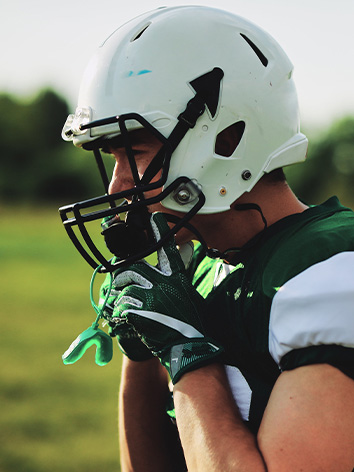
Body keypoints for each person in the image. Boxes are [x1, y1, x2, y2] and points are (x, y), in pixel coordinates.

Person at [60, 5, 354, 471]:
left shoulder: (329, 273)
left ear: (228, 138)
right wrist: (144, 352)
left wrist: (187, 354)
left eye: (133, 153)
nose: (116, 186)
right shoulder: (200, 270)